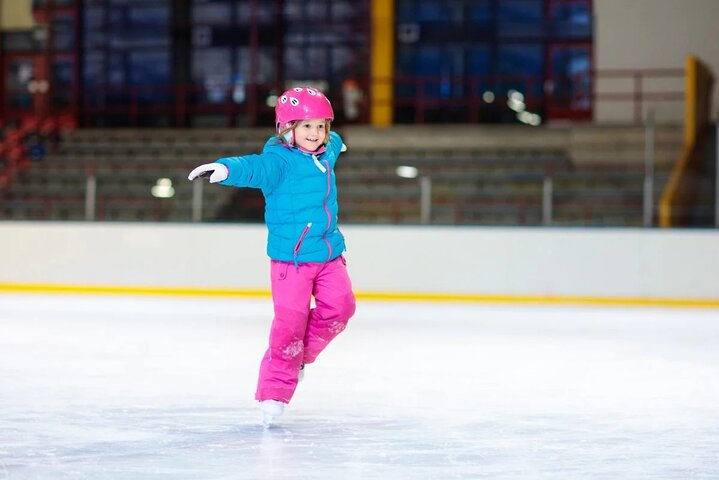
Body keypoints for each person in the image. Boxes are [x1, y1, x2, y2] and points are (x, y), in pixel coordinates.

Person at [188, 86, 356, 425]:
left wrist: (335, 138)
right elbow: (253, 168)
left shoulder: (329, 150)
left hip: (329, 253)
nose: (316, 133)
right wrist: (224, 170)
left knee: (341, 308)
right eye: (306, 126)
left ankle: (301, 359)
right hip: (290, 262)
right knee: (289, 327)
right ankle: (274, 392)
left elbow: (336, 140)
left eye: (321, 126)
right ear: (286, 129)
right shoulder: (278, 162)